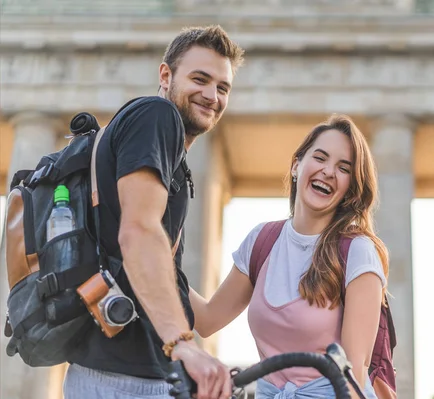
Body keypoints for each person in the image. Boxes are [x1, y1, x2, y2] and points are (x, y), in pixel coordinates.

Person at [62, 25, 245, 399]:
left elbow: (205, 318)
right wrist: (181, 343)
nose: (212, 96)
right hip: (123, 381)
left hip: (132, 376)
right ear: (166, 75)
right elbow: (139, 232)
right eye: (200, 79)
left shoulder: (171, 162)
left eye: (222, 87)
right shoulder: (156, 115)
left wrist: (270, 251)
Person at [189, 114, 389, 398]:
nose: (328, 171)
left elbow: (354, 374)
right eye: (320, 158)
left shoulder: (358, 252)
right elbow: (207, 320)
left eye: (343, 168)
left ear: (350, 190)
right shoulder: (262, 241)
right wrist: (160, 259)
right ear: (297, 165)